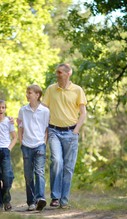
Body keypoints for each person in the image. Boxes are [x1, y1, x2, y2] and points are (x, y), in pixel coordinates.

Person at [43, 63, 87, 209]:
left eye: (60, 72)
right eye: (57, 72)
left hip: (71, 132)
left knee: (68, 167)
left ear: (68, 73)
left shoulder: (77, 90)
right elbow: (43, 111)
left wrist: (76, 130)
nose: (57, 74)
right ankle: (55, 197)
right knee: (56, 161)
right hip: (54, 131)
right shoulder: (51, 89)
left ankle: (64, 200)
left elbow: (83, 113)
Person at [18, 85, 50, 211]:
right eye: (27, 93)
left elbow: (47, 129)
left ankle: (40, 198)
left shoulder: (45, 111)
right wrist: (21, 142)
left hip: (39, 145)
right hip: (26, 145)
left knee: (40, 172)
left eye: (29, 93)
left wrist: (44, 143)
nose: (27, 95)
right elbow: (20, 127)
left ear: (37, 95)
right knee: (28, 175)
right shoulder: (23, 110)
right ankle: (31, 202)